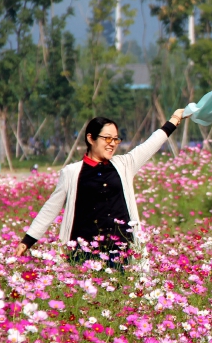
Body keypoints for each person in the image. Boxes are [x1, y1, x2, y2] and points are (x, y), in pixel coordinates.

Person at [13, 109, 189, 266]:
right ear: (90, 138)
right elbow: (50, 208)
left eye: (116, 139)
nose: (112, 143)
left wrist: (174, 119)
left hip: (122, 253)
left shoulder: (124, 164)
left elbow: (150, 145)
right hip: (83, 254)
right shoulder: (72, 172)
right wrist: (27, 241)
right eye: (107, 138)